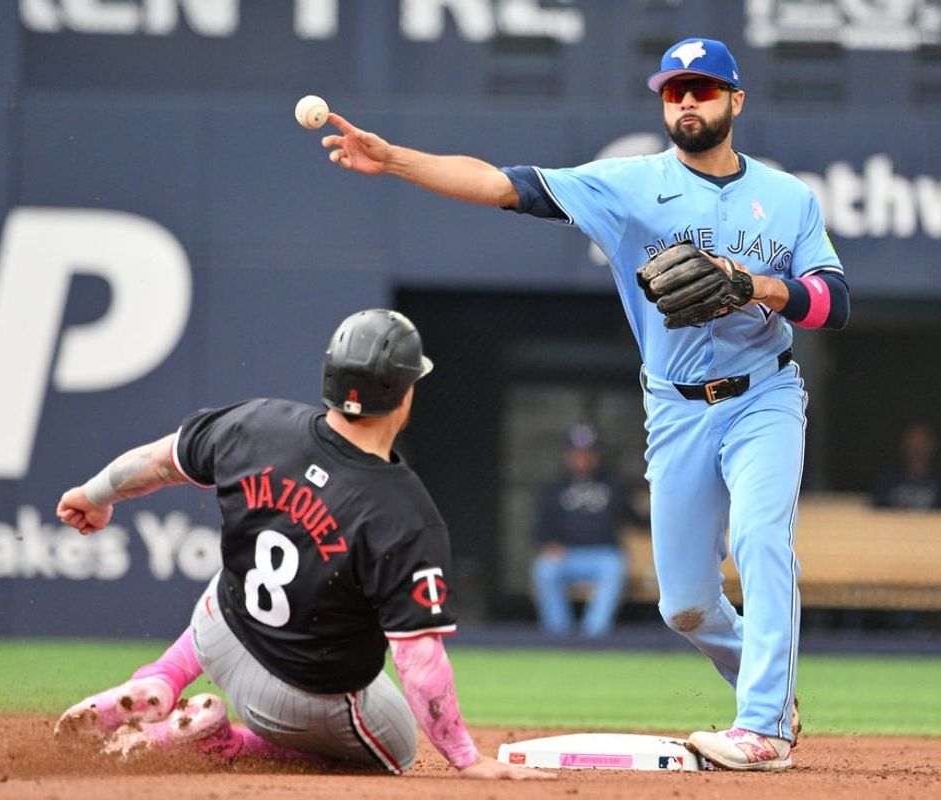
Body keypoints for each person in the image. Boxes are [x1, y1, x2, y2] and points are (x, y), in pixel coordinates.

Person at [316, 37, 850, 771]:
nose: (686, 101)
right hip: (676, 409)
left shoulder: (789, 198)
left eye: (702, 88)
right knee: (685, 605)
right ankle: (770, 692)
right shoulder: (629, 186)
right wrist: (396, 160)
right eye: (673, 90)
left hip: (764, 396)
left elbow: (836, 302)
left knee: (762, 537)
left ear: (735, 100)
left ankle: (763, 726)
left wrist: (755, 284)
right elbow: (502, 185)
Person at [53, 309, 551, 782]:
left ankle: (162, 678)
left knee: (250, 551)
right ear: (405, 394)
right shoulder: (403, 513)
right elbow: (417, 657)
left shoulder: (256, 424)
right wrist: (465, 758)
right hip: (298, 700)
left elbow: (161, 461)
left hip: (217, 637)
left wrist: (92, 495)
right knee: (397, 751)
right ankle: (225, 745)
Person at [530, 424, 630, 638]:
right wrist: (549, 543)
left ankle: (593, 635)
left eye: (588, 453)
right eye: (577, 453)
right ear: (568, 455)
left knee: (614, 566)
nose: (583, 458)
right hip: (567, 556)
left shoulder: (613, 484)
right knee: (545, 569)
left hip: (603, 555)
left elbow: (634, 518)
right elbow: (540, 528)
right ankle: (559, 634)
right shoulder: (554, 488)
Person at [872, 422, 941, 511]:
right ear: (904, 446)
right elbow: (878, 511)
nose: (918, 449)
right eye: (913, 443)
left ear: (931, 446)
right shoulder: (888, 481)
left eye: (922, 443)